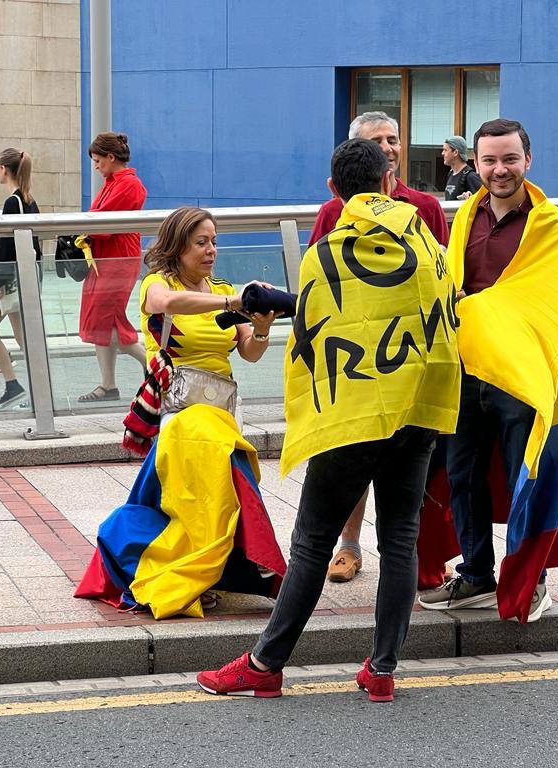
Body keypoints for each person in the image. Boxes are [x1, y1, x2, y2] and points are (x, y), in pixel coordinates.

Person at [197, 138, 460, 702]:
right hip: (419, 409)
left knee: (314, 542)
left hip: (354, 414)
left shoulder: (325, 255)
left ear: (334, 194)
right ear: (390, 182)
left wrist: (270, 302)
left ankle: (265, 665)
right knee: (400, 540)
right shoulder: (431, 247)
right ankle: (382, 668)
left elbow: (320, 321)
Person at [417, 118, 558, 624]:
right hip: (469, 371)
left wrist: (485, 310)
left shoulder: (550, 225)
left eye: (509, 159)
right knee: (463, 475)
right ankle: (475, 575)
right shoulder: (465, 218)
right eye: (489, 160)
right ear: (474, 163)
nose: (499, 169)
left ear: (528, 161)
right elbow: (455, 292)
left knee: (526, 474)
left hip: (522, 379)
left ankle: (528, 577)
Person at [75, 206, 285, 619]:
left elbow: (250, 353)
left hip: (221, 411)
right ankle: (193, 571)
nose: (211, 250)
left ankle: (206, 571)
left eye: (214, 242)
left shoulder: (223, 287)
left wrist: (261, 324)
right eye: (201, 242)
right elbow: (168, 302)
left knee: (211, 499)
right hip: (181, 412)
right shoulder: (157, 284)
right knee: (200, 496)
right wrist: (232, 299)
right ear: (178, 245)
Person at [309, 110, 451, 585]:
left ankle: (414, 555)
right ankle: (348, 547)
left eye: (393, 138)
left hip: (410, 354)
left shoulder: (424, 208)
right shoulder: (334, 210)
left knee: (415, 467)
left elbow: (441, 275)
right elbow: (319, 284)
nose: (389, 147)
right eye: (378, 141)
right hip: (358, 359)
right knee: (353, 453)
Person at [77, 132, 148, 403]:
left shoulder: (128, 184)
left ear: (110, 157)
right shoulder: (116, 182)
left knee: (108, 318)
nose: (95, 166)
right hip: (107, 258)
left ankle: (152, 364)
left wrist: (83, 227)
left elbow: (102, 224)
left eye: (97, 160)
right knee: (104, 319)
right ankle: (109, 384)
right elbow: (99, 221)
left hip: (116, 258)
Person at [0, 147, 41, 409]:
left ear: (4, 169)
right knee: (20, 336)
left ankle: (21, 388)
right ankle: (23, 387)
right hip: (22, 279)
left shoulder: (13, 202)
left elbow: (6, 245)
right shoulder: (29, 200)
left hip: (10, 281)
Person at [442, 135, 482, 201]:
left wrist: (471, 198)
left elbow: (484, 201)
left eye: (445, 150)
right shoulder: (450, 174)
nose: (442, 153)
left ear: (455, 152)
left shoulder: (471, 176)